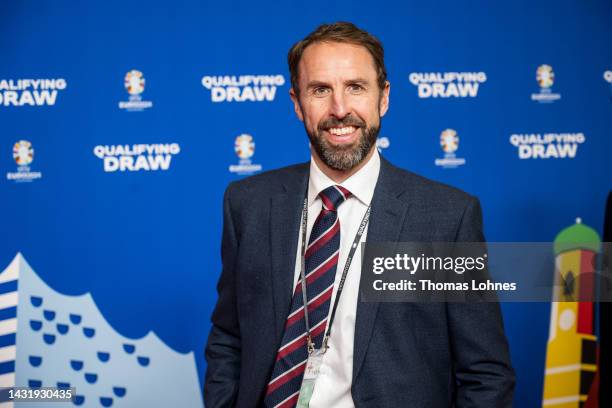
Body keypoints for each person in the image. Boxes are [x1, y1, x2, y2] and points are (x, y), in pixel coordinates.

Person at [204, 22, 515, 407]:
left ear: (383, 98)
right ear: (297, 103)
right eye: (320, 90)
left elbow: (485, 373)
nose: (340, 109)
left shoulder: (445, 218)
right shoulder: (248, 204)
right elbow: (229, 337)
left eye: (356, 87)